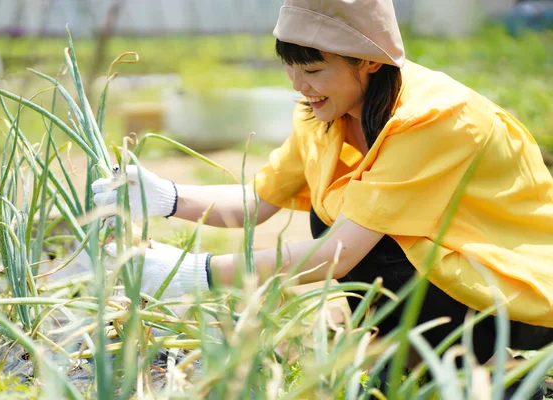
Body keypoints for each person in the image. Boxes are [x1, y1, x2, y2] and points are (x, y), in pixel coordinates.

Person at [92, 0, 553, 396]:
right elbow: (256, 203)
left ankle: (481, 372)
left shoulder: (434, 118)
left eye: (313, 69)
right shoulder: (325, 113)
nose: (297, 83)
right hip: (451, 281)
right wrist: (164, 196)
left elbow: (338, 256)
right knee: (331, 212)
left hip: (514, 290)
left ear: (368, 61)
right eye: (290, 65)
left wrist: (197, 274)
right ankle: (414, 357)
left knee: (368, 235)